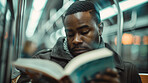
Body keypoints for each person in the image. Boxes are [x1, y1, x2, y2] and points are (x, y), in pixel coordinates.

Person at [17, 1, 141, 83]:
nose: (76, 40)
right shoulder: (42, 63)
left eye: (84, 32)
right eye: (70, 34)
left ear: (100, 29)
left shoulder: (127, 72)